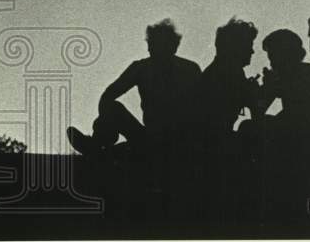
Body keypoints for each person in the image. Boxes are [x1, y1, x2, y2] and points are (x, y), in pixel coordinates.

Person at [67, 18, 201, 155]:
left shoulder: (188, 70)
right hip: (153, 138)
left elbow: (203, 106)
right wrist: (105, 127)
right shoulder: (143, 68)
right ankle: (98, 143)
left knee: (123, 147)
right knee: (114, 109)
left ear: (172, 46)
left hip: (179, 140)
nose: (150, 48)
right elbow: (108, 96)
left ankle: (98, 146)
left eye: (156, 44)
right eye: (151, 44)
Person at [190, 17, 264, 146]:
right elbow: (256, 112)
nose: (252, 51)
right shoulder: (229, 73)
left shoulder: (224, 70)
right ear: (236, 47)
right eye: (248, 46)